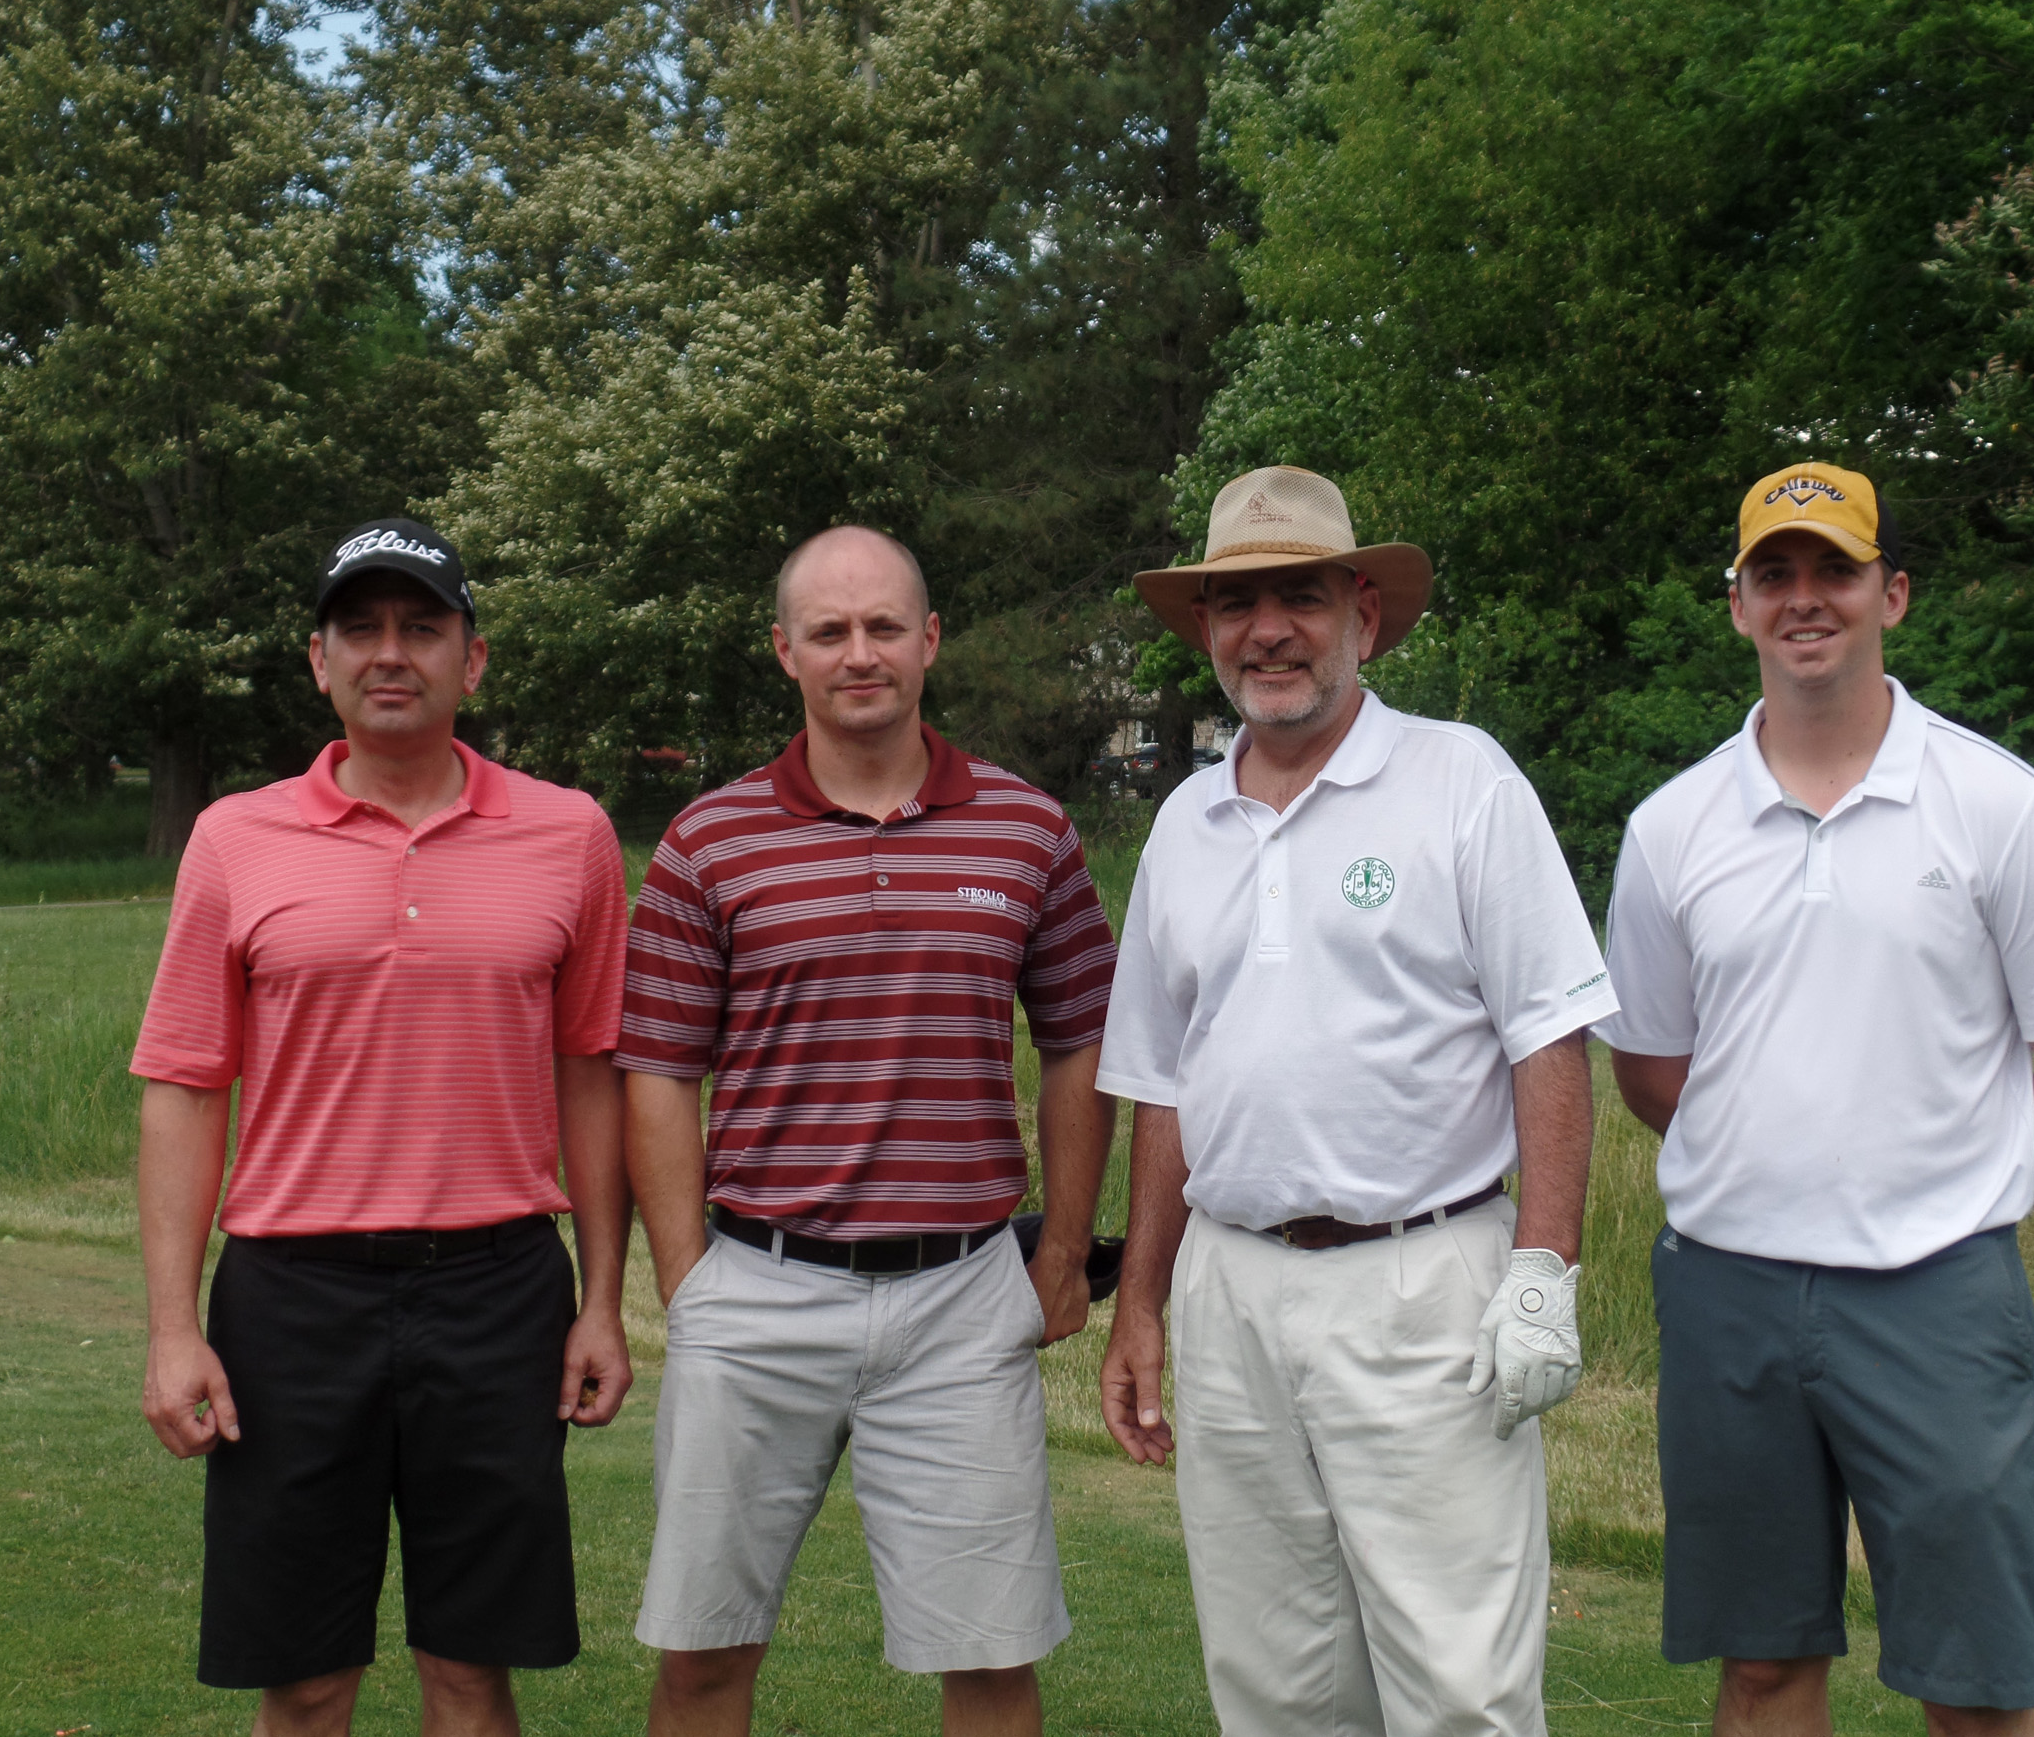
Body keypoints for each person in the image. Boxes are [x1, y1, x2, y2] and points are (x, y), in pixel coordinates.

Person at [1594, 462, 2034, 1737]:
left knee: (1973, 1685)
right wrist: (1778, 1158)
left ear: (1890, 593)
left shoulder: (1998, 804)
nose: (1805, 599)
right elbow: (1654, 1069)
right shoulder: (1673, 827)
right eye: (1773, 574)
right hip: (1729, 1293)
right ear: (1737, 605)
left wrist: (1950, 1184)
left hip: (1935, 1295)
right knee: (1761, 1667)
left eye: (1834, 571)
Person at [1096, 466, 1617, 1736]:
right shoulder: (1186, 823)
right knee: (1277, 1691)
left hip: (1421, 1284)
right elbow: (1163, 1085)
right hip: (1230, 1288)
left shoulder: (1461, 780)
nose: (1269, 631)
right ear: (1206, 630)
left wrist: (1543, 1269)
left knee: (1459, 1693)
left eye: (1302, 598)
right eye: (1237, 604)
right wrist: (1143, 1302)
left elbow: (1549, 1039)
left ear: (1363, 617)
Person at [132, 517, 635, 1737]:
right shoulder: (233, 838)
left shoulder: (569, 833)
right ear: (321, 662)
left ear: (474, 659)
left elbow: (593, 1075)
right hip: (291, 1301)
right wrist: (172, 1329)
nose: (390, 653)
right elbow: (187, 1085)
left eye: (422, 627)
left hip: (498, 1293)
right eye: (359, 630)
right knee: (305, 1682)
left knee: (471, 1670)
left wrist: (606, 1301)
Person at [618, 524, 1119, 1737]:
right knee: (702, 1654)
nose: (860, 653)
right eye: (830, 631)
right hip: (758, 1286)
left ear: (928, 641)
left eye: (885, 626)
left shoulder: (1026, 829)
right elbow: (658, 1069)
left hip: (959, 1299)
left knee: (990, 1663)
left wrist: (1062, 1253)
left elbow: (1083, 1043)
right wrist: (687, 1278)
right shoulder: (709, 840)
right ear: (784, 650)